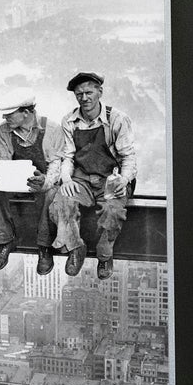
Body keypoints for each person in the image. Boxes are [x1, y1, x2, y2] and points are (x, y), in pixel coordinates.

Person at [52, 71, 138, 279]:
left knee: (113, 211)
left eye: (89, 92)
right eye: (79, 94)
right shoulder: (69, 121)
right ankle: (75, 248)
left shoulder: (116, 119)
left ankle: (105, 254)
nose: (84, 98)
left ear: (100, 92)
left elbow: (128, 157)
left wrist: (124, 180)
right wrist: (66, 180)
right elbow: (68, 156)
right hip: (82, 179)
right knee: (61, 202)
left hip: (112, 179)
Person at [0, 92, 60, 273]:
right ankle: (4, 240)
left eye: (10, 114)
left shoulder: (51, 128)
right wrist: (1, 177)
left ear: (27, 112)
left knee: (50, 195)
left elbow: (55, 164)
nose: (5, 118)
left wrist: (45, 181)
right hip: (16, 180)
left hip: (42, 181)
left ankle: (44, 247)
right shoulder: (3, 130)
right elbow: (3, 161)